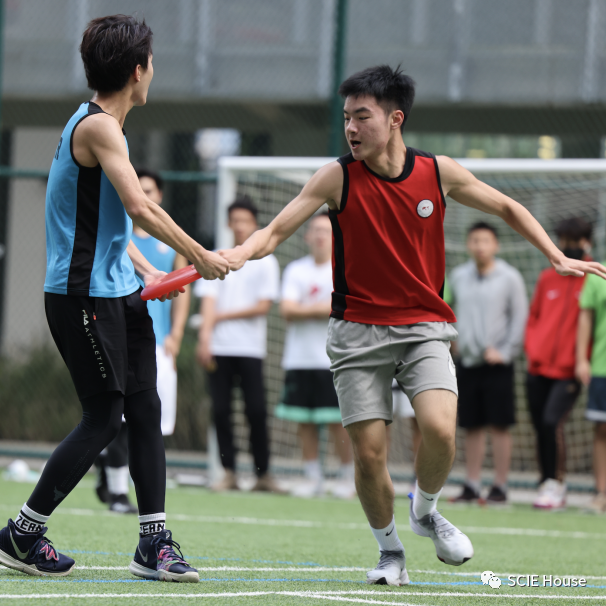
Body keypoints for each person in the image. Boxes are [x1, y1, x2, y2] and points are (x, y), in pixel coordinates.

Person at [217, 65, 606, 586]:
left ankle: (425, 511)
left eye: (363, 117)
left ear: (395, 119)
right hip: (356, 332)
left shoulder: (436, 172)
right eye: (347, 118)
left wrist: (556, 256)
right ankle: (389, 552)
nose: (351, 128)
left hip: (423, 326)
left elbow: (508, 207)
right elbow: (274, 230)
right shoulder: (337, 177)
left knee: (441, 430)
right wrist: (238, 252)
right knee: (370, 453)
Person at [0, 15, 228, 581]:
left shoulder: (105, 126)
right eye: (151, 62)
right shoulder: (99, 126)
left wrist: (145, 264)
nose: (153, 72)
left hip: (118, 293)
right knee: (103, 419)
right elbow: (140, 209)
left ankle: (154, 543)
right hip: (80, 298)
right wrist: (199, 255)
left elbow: (99, 225)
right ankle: (22, 535)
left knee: (145, 410)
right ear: (137, 70)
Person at [96, 168, 192, 514]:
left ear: (160, 196)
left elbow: (182, 292)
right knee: (118, 419)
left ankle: (132, 490)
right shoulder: (118, 235)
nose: (145, 196)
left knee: (152, 421)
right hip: (122, 337)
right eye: (140, 190)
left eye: (150, 191)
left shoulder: (169, 246)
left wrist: (176, 335)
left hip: (158, 343)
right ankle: (118, 492)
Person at [196, 196, 282, 493]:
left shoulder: (266, 262)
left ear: (254, 224)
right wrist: (205, 337)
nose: (240, 226)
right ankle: (228, 472)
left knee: (255, 410)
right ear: (229, 223)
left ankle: (263, 474)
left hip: (250, 349)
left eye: (245, 220)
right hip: (219, 348)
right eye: (236, 220)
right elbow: (207, 301)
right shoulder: (213, 258)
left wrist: (221, 316)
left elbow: (262, 306)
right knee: (220, 411)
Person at [275, 212, 354, 499]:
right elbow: (287, 310)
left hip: (334, 360)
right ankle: (312, 478)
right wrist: (324, 307)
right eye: (316, 230)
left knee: (338, 422)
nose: (321, 236)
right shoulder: (296, 270)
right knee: (305, 421)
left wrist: (309, 308)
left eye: (327, 230)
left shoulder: (344, 270)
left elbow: (343, 309)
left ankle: (347, 478)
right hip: (299, 358)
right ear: (307, 236)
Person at [448, 222, 528, 505]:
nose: (480, 245)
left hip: (498, 363)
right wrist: (453, 341)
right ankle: (471, 484)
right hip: (466, 362)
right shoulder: (458, 276)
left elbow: (520, 318)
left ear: (496, 245)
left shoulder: (510, 277)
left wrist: (506, 351)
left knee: (500, 425)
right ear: (468, 244)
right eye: (474, 240)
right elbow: (447, 310)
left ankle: (500, 486)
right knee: (471, 425)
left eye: (485, 240)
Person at [526, 217, 592, 510]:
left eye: (573, 240)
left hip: (570, 369)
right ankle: (546, 482)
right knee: (540, 425)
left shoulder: (594, 277)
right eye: (563, 240)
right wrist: (533, 350)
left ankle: (557, 483)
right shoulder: (546, 277)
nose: (569, 246)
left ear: (586, 242)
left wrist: (582, 360)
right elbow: (534, 318)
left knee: (553, 422)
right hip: (538, 367)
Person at [577, 247, 606, 514]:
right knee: (601, 431)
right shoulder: (598, 272)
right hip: (602, 366)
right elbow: (585, 319)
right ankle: (601, 492)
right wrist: (581, 359)